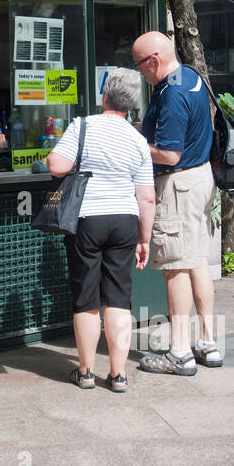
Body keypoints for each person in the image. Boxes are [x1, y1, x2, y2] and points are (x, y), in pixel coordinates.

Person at [46, 69, 156, 393]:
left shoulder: (82, 126)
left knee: (86, 297)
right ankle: (119, 374)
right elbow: (147, 196)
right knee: (119, 297)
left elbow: (57, 166)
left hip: (88, 218)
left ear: (104, 95)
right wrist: (143, 238)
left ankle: (86, 372)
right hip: (124, 221)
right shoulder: (137, 140)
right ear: (132, 104)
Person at [131, 31, 222, 375]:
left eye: (140, 65)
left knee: (175, 268)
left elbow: (169, 154)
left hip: (178, 185)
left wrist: (137, 146)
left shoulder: (172, 94)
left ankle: (179, 352)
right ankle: (207, 344)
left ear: (153, 61)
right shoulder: (192, 76)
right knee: (197, 259)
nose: (141, 73)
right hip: (200, 178)